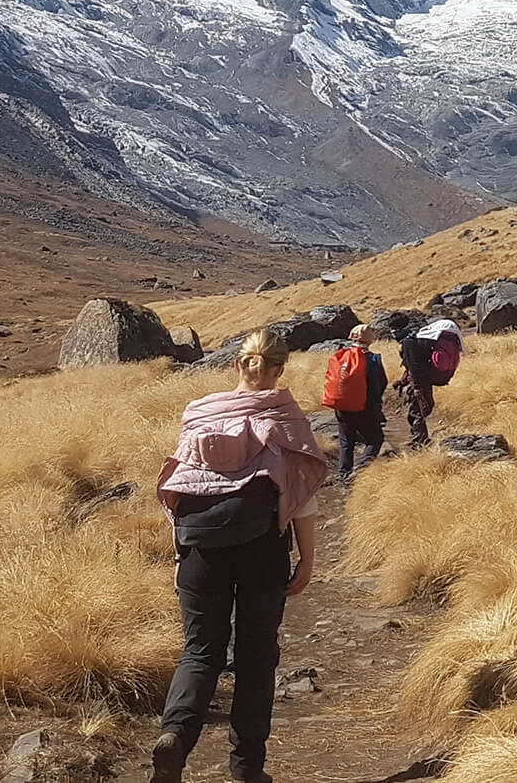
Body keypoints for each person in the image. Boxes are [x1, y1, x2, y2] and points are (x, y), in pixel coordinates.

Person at [151, 329, 329, 783]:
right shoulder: (284, 415)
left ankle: (174, 735)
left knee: (200, 652)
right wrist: (307, 560)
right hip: (261, 548)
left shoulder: (200, 412)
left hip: (198, 549)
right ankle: (247, 770)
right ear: (279, 369)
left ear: (237, 365)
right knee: (255, 656)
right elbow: (301, 498)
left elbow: (181, 480)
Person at [321, 323, 388, 479]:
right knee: (375, 439)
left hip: (342, 407)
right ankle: (361, 468)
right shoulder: (373, 359)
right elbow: (381, 383)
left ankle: (344, 475)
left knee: (346, 441)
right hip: (366, 408)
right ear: (368, 339)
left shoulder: (341, 356)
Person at [392, 316, 462, 450]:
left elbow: (413, 366)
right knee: (422, 408)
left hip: (419, 381)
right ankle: (421, 439)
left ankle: (419, 442)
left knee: (416, 410)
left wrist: (417, 386)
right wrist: (403, 381)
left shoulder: (408, 343)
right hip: (426, 378)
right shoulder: (420, 340)